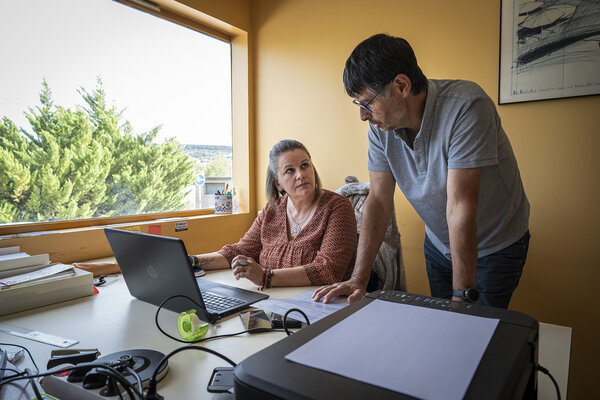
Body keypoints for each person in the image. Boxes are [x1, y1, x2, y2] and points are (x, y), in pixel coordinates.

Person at [313, 34, 530, 308]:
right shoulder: (381, 127)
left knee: (474, 330)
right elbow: (378, 201)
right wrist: (358, 279)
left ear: (401, 85)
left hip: (494, 245)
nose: (363, 115)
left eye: (367, 103)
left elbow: (460, 206)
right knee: (443, 327)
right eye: (359, 105)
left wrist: (461, 298)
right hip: (439, 244)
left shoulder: (467, 106)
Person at [189, 139, 358, 289]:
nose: (301, 174)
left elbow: (328, 270)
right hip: (273, 300)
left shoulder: (337, 207)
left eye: (305, 165)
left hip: (323, 305)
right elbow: (240, 251)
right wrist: (191, 261)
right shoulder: (272, 210)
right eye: (290, 170)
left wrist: (265, 277)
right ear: (278, 183)